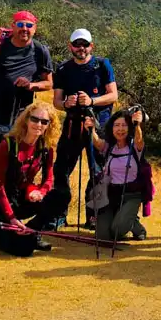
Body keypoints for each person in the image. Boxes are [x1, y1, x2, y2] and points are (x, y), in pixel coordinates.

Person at [0, 102, 59, 256]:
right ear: (26, 120)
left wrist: (40, 193)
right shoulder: (7, 145)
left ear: (49, 125)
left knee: (60, 197)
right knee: (23, 250)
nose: (39, 124)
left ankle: (32, 231)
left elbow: (49, 180)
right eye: (35, 119)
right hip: (1, 200)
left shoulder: (47, 147)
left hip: (23, 197)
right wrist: (11, 218)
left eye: (44, 121)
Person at [52, 28, 118, 228]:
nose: (81, 48)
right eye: (77, 44)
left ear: (92, 46)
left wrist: (92, 101)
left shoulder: (102, 65)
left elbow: (113, 95)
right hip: (73, 124)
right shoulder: (63, 69)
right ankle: (59, 214)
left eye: (85, 44)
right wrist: (67, 103)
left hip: (99, 125)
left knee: (98, 172)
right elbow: (56, 101)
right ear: (70, 46)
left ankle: (93, 216)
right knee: (62, 170)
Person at [0, 10, 53, 154]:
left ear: (35, 29)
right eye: (20, 24)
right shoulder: (0, 46)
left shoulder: (40, 51)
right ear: (13, 26)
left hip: (23, 111)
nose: (24, 28)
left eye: (29, 25)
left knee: (18, 152)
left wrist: (31, 85)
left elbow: (49, 83)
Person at [92, 109, 150, 242]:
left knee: (117, 230)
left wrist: (137, 125)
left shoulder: (135, 146)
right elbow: (97, 143)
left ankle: (135, 225)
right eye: (117, 125)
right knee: (102, 236)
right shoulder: (110, 147)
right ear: (111, 128)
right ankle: (127, 219)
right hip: (112, 195)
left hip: (131, 194)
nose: (120, 129)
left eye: (124, 125)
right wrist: (91, 129)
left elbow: (139, 140)